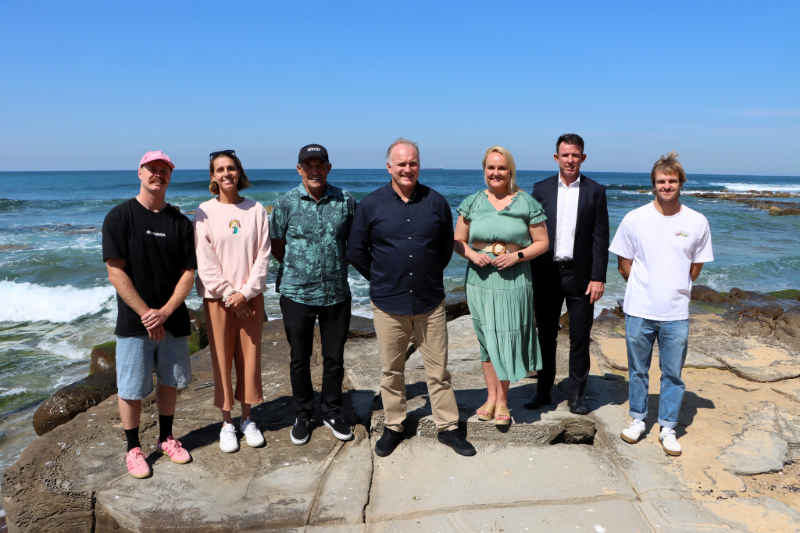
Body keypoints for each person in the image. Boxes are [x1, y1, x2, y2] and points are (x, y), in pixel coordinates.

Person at [348, 138, 476, 457]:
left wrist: (425, 276)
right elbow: (356, 251)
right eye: (401, 163)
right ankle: (395, 425)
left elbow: (445, 248)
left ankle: (447, 427)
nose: (408, 168)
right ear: (389, 166)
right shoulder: (370, 204)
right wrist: (383, 279)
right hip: (388, 305)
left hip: (429, 303)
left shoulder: (436, 202)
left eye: (413, 162)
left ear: (419, 165)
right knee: (392, 370)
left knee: (438, 371)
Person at [610, 152, 713, 456]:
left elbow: (695, 265)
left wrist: (674, 288)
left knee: (673, 374)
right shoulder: (635, 218)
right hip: (639, 310)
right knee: (638, 370)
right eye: (660, 181)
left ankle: (668, 427)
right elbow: (623, 264)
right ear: (653, 185)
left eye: (672, 181)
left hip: (676, 312)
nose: (666, 186)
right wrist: (647, 288)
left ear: (681, 183)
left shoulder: (696, 221)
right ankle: (638, 420)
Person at [102, 151, 196, 478]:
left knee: (170, 381)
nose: (158, 175)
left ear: (170, 176)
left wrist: (166, 312)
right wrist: (146, 313)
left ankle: (166, 438)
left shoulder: (181, 223)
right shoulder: (119, 217)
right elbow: (116, 272)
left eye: (164, 171)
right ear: (140, 173)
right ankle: (133, 449)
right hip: (134, 323)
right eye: (152, 170)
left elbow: (188, 273)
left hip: (173, 319)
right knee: (130, 388)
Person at [453, 146, 549, 425]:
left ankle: (504, 401)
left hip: (514, 278)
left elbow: (542, 243)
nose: (496, 173)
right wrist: (471, 254)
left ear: (510, 171)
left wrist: (517, 256)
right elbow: (458, 240)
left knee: (506, 338)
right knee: (486, 340)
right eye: (491, 168)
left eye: (501, 168)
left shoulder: (526, 202)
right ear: (484, 170)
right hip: (480, 279)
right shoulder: (471, 202)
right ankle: (491, 398)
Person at [270, 144, 356, 446]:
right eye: (308, 165)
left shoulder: (346, 200)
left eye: (320, 164)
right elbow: (278, 246)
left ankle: (332, 411)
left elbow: (354, 243)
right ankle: (303, 414)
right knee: (299, 358)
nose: (314, 170)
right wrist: (302, 267)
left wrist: (331, 264)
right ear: (299, 170)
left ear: (328, 168)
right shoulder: (285, 203)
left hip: (336, 292)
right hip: (296, 293)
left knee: (334, 358)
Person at [194, 150, 271, 453]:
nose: (226, 173)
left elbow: (263, 256)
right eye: (219, 169)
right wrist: (229, 294)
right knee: (222, 360)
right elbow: (206, 259)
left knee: (250, 359)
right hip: (218, 300)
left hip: (250, 298)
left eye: (231, 168)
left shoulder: (256, 210)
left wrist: (246, 292)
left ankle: (247, 418)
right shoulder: (204, 211)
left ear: (239, 172)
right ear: (212, 177)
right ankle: (227, 422)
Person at [528, 134, 609, 415]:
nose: (570, 160)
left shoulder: (595, 191)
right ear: (556, 158)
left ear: (583, 158)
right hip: (546, 273)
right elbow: (529, 233)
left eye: (575, 155)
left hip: (582, 276)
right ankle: (543, 391)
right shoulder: (540, 189)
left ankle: (577, 395)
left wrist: (599, 277)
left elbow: (600, 238)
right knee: (545, 335)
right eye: (565, 155)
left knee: (580, 337)